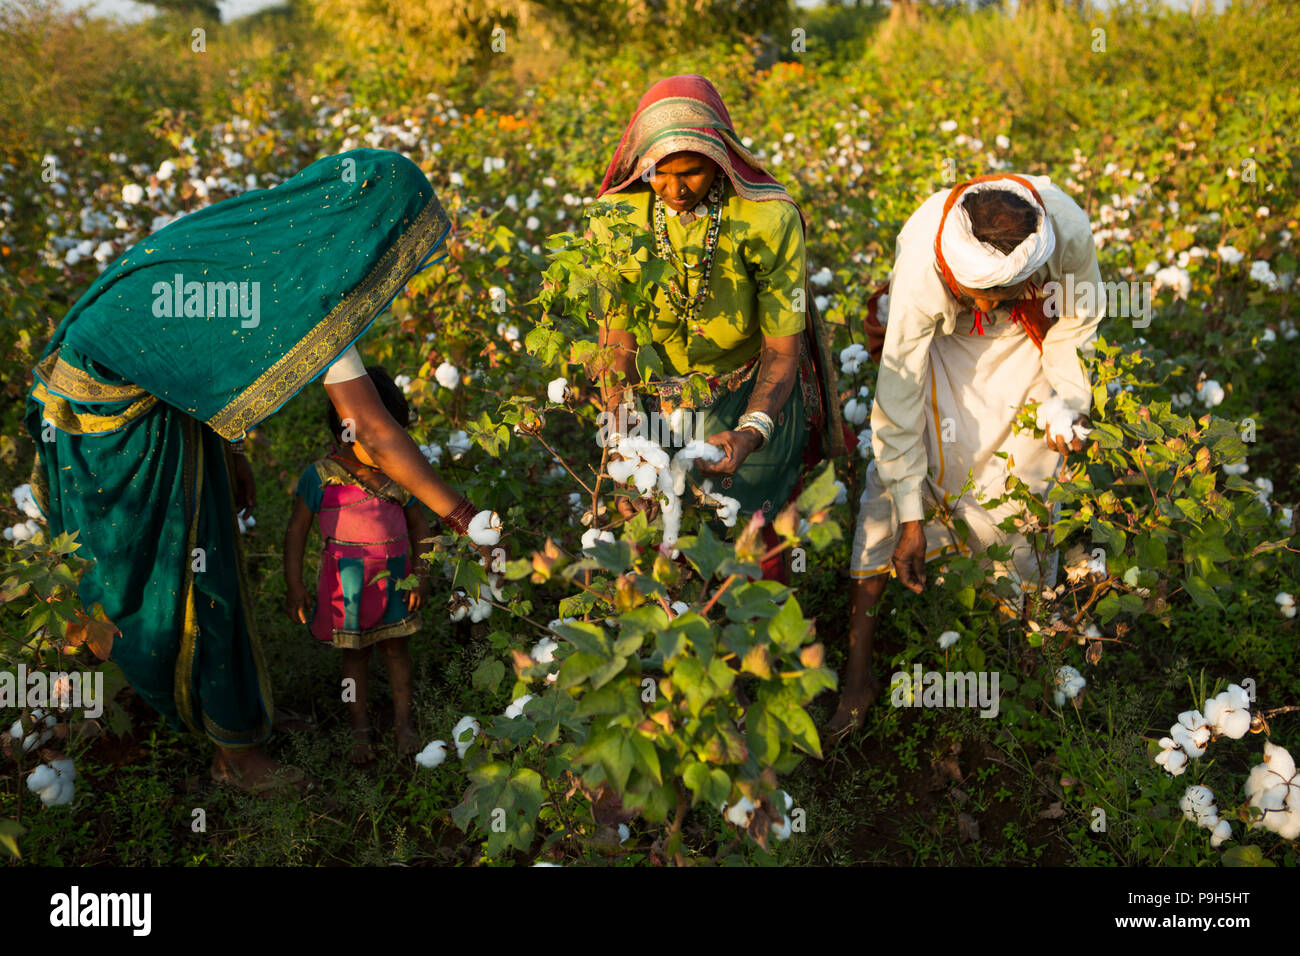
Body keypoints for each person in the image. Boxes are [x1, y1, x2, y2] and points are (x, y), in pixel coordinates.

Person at [24, 149, 492, 792]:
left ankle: (213, 714)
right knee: (190, 576)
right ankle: (234, 754)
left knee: (191, 565)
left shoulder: (266, 238)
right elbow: (377, 431)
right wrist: (466, 518)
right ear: (364, 234)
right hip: (116, 425)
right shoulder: (310, 280)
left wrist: (229, 449)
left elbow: (190, 357)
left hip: (121, 396)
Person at [831, 172, 1104, 733]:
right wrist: (911, 514)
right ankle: (857, 676)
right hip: (941, 344)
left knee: (1025, 492)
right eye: (974, 291)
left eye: (994, 294)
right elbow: (899, 396)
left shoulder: (1068, 231)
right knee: (888, 491)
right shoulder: (921, 270)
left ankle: (1029, 656)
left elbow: (1074, 326)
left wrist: (1068, 402)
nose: (984, 302)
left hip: (1028, 344)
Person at [590, 74, 847, 579]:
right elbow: (615, 336)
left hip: (750, 386)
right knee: (654, 533)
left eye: (692, 172)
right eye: (658, 174)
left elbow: (780, 348)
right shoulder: (615, 218)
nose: (674, 189)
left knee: (750, 543)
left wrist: (752, 432)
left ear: (722, 160)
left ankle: (753, 646)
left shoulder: (767, 219)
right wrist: (621, 430)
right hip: (654, 398)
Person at [284, 365, 431, 765]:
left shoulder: (400, 475)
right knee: (355, 659)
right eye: (381, 437)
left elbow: (421, 525)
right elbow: (296, 532)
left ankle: (403, 725)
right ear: (345, 433)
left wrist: (420, 574)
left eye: (395, 436)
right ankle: (360, 731)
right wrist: (294, 584)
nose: (391, 446)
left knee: (398, 653)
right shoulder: (321, 478)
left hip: (396, 580)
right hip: (346, 586)